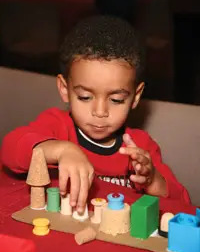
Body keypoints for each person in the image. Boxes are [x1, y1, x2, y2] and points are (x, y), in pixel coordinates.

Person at [1, 16, 190, 214]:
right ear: (65, 89)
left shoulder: (140, 147)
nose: (100, 112)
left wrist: (152, 180)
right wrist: (61, 150)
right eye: (84, 97)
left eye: (116, 100)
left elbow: (183, 203)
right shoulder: (57, 126)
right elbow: (10, 150)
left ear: (136, 96)